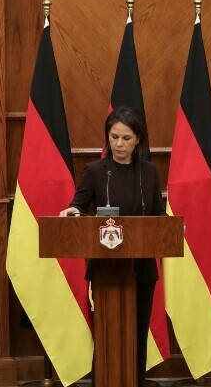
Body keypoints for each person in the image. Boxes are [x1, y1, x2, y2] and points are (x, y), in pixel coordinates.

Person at [60, 106, 166, 386]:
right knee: (108, 333)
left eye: (127, 138)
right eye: (114, 137)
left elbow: (158, 214)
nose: (119, 144)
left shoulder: (149, 172)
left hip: (141, 268)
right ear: (107, 138)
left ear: (138, 141)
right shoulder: (96, 171)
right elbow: (77, 206)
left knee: (137, 335)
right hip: (106, 268)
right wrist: (72, 211)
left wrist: (170, 226)